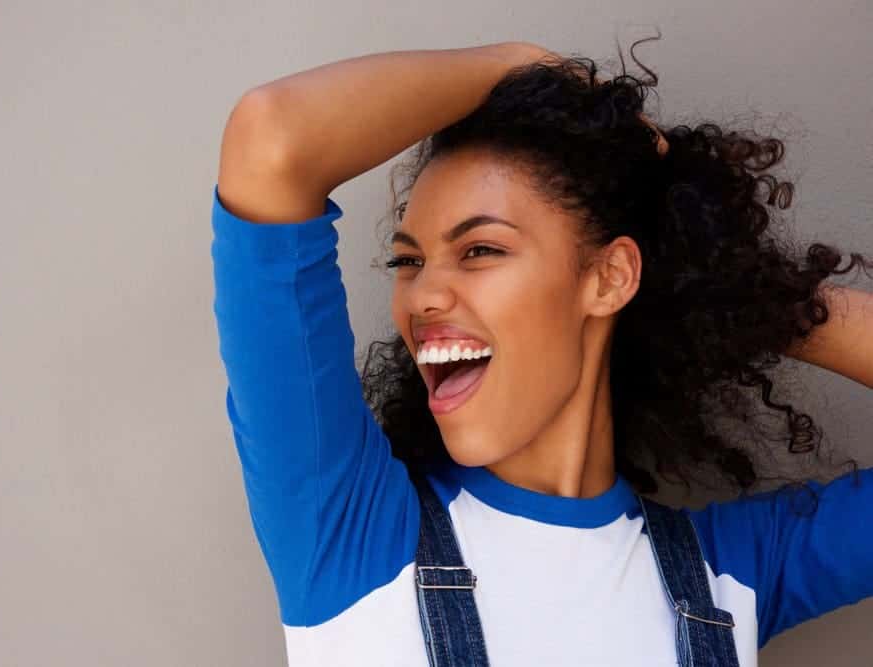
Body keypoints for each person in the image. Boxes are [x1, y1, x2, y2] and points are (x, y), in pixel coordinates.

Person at [211, 38, 873, 666]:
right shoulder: (344, 526)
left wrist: (740, 292)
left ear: (609, 276)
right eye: (407, 260)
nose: (421, 295)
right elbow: (272, 139)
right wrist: (522, 66)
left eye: (479, 250)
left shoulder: (732, 574)